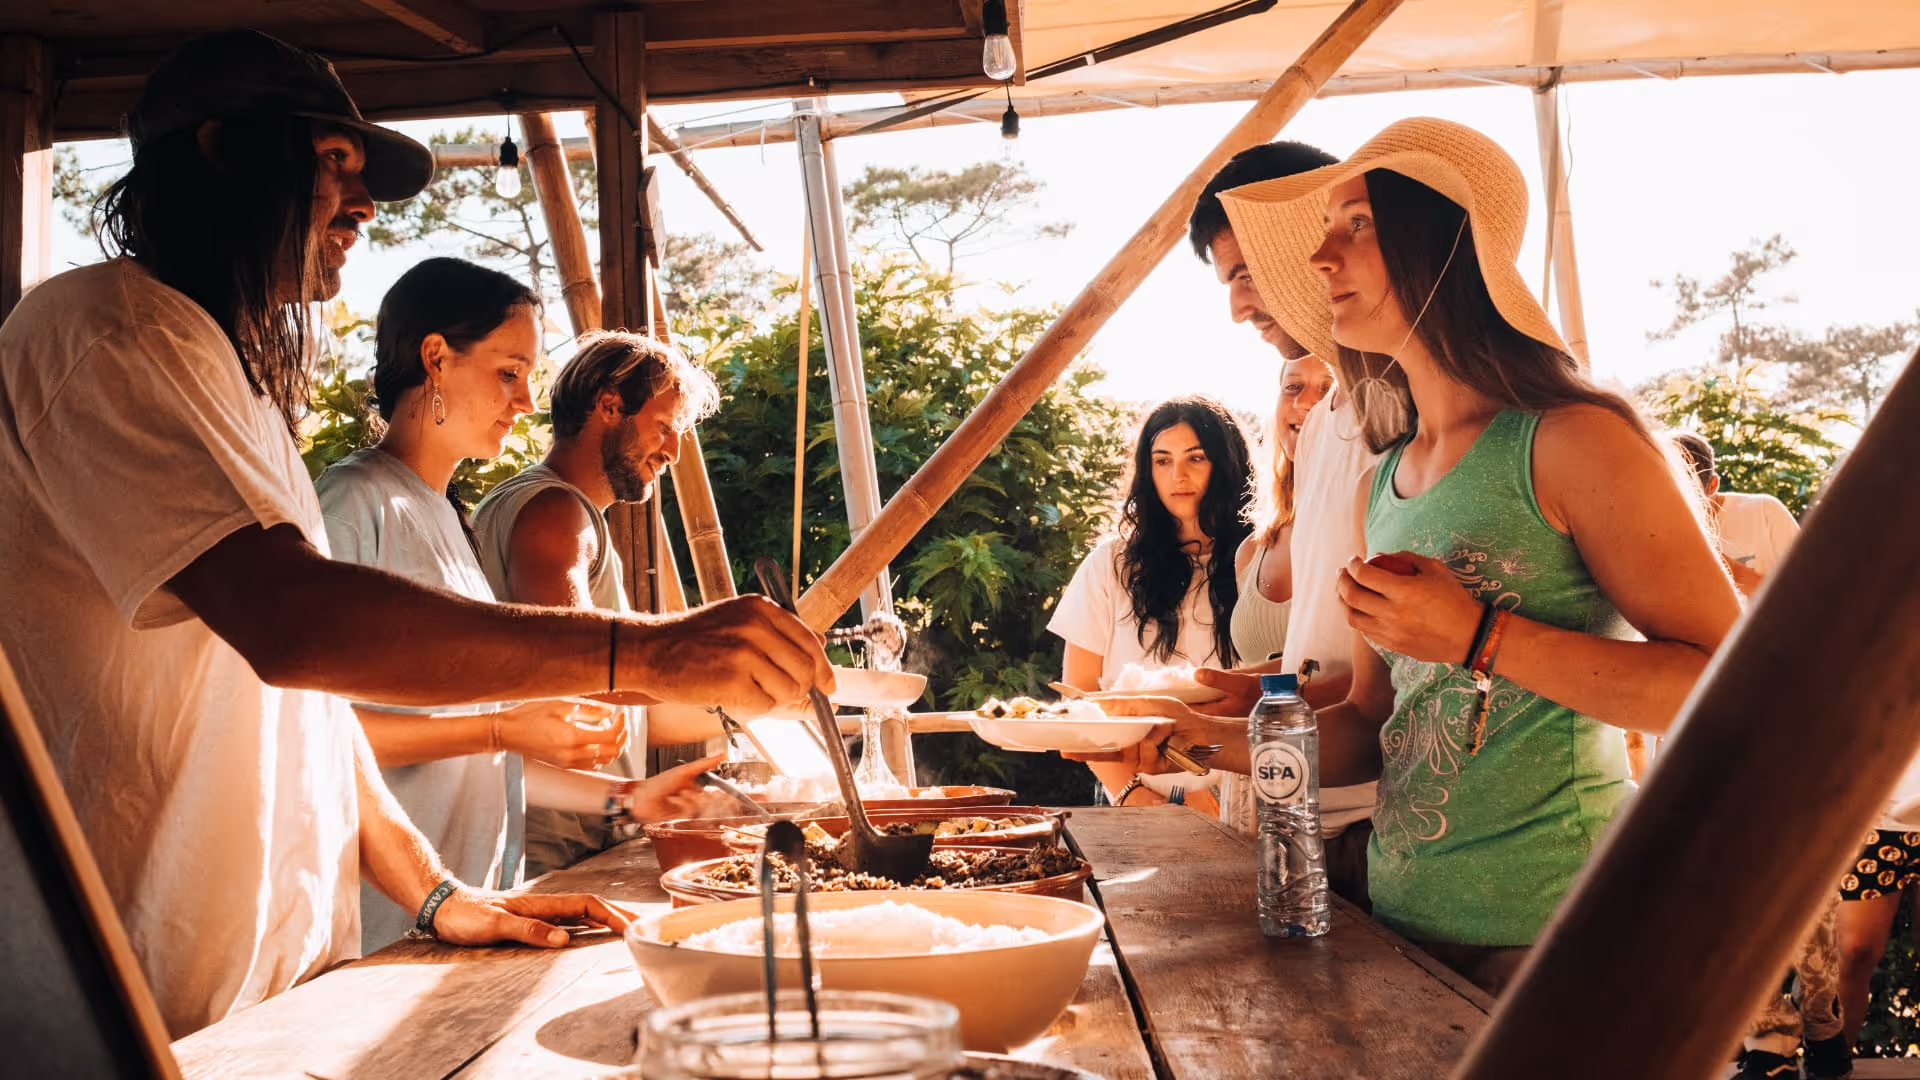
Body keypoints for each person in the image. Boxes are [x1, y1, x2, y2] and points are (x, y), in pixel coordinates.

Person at [0, 31, 829, 1035]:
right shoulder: (102, 329)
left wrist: (439, 894)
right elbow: (296, 626)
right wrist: (644, 654)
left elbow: (306, 708)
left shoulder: (233, 382)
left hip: (266, 978)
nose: (361, 205)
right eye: (331, 163)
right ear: (219, 151)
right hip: (128, 992)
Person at [1101, 118, 1743, 995]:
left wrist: (1481, 637)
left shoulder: (1574, 441)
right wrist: (1192, 742)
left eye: (1355, 224)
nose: (1321, 259)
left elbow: (1726, 682)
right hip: (1405, 931)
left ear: (1446, 244)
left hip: (1566, 938)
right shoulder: (1388, 480)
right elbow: (1370, 723)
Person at [314, 258, 723, 947]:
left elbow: (481, 750)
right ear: (435, 359)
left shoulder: (452, 519)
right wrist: (500, 728)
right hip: (379, 924)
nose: (528, 402)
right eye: (510, 372)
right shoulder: (354, 503)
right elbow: (319, 736)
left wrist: (625, 798)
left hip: (469, 908)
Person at [1177, 140, 1380, 899]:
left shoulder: (1411, 414)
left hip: (1385, 831)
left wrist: (1191, 736)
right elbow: (1346, 669)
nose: (1237, 307)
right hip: (1308, 823)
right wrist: (1248, 694)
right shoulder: (1329, 423)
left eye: (1244, 273)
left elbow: (1396, 701)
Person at [471, 329, 728, 876]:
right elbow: (577, 661)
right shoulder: (554, 511)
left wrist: (740, 707)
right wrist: (716, 662)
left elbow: (619, 706)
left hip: (575, 830)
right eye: (664, 426)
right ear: (610, 407)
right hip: (544, 843)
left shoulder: (557, 510)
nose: (673, 451)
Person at [1051, 396, 1253, 815]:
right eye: (1162, 460)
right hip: (1132, 801)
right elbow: (1080, 701)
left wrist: (1217, 802)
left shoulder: (1261, 559)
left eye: (1195, 458)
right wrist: (1134, 796)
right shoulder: (1110, 564)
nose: (1178, 475)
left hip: (1243, 802)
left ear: (1226, 462)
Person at [1211, 356, 1334, 834]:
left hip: (1331, 802)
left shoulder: (1365, 524)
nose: (1305, 402)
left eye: (1327, 390)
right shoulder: (1252, 550)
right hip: (1250, 786)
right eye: (1293, 386)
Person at [1671, 431, 1800, 596]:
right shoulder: (1659, 533)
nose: (1680, 506)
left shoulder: (1764, 511)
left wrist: (1726, 568)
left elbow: (1807, 587)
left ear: (1713, 485)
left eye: (1691, 496)